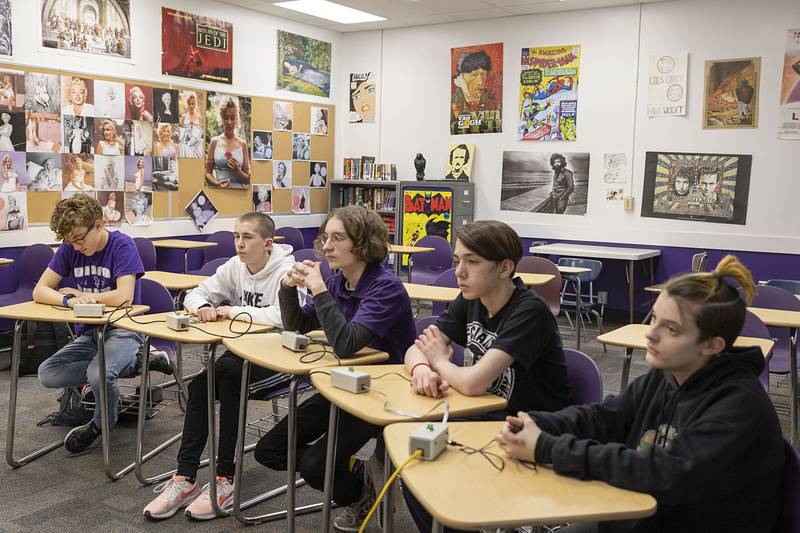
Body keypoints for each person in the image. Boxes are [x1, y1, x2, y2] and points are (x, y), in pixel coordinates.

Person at [496, 255, 785, 533]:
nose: (651, 334)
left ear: (712, 345)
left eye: (671, 329)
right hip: (643, 516)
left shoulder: (738, 407)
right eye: (654, 318)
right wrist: (535, 424)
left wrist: (545, 447)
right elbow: (605, 417)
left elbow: (665, 472)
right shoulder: (668, 375)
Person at [401, 220, 572, 533]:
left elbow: (472, 382)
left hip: (530, 427)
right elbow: (415, 350)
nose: (459, 272)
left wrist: (440, 362)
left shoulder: (529, 310)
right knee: (412, 463)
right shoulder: (471, 299)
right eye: (457, 261)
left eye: (473, 262)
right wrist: (423, 368)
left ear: (505, 268)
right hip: (484, 417)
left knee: (425, 467)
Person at [254, 205, 416, 532]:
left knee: (316, 467)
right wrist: (287, 287)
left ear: (364, 242)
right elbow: (298, 326)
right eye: (326, 237)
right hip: (343, 384)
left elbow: (345, 343)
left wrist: (318, 287)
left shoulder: (386, 287)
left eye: (337, 238)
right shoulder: (340, 281)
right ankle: (361, 479)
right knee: (268, 451)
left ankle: (358, 491)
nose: (326, 246)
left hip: (383, 394)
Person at [143, 212, 305, 521]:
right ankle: (185, 477)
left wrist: (233, 311)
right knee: (201, 383)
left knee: (229, 376)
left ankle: (224, 478)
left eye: (247, 238)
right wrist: (203, 306)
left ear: (267, 243)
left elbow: (286, 317)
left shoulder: (287, 270)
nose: (239, 244)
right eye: (236, 236)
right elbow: (196, 293)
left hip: (279, 360)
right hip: (240, 355)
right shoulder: (234, 267)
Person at [34, 194, 145, 454]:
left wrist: (88, 297)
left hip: (124, 330)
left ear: (98, 224)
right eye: (69, 242)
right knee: (47, 373)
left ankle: (99, 424)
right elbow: (40, 290)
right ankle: (133, 363)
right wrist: (68, 299)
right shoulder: (71, 247)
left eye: (80, 239)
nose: (76, 247)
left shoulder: (122, 245)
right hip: (91, 333)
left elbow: (124, 297)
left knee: (99, 374)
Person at [205, 97, 250, 189]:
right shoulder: (214, 142)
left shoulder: (242, 144)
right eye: (226, 118)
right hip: (220, 193)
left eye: (232, 118)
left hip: (239, 196)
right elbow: (208, 173)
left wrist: (237, 171)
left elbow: (247, 179)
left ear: (236, 119)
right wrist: (217, 183)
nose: (229, 122)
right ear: (221, 118)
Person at [450, 49, 498, 131]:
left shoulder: (493, 104)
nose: (480, 81)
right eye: (474, 75)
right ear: (460, 78)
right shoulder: (452, 103)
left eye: (483, 74)